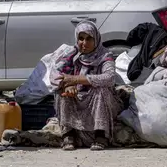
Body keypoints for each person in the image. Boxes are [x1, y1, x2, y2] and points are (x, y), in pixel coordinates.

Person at [50, 21, 122, 151]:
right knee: (61, 91)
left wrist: (77, 79)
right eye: (81, 39)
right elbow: (54, 75)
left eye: (89, 39)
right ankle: (68, 134)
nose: (84, 43)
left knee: (101, 89)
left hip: (99, 101)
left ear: (96, 39)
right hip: (77, 97)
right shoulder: (71, 54)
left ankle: (101, 135)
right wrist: (66, 86)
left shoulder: (105, 56)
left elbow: (109, 78)